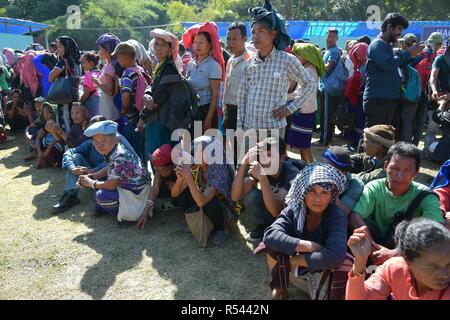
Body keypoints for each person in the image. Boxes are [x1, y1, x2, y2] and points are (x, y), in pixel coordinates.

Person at [262, 163, 352, 300]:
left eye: (324, 192)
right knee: (272, 247)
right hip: (299, 269)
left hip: (322, 271)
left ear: (332, 195)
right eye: (312, 191)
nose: (318, 199)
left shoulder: (336, 216)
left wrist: (294, 260)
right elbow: (270, 236)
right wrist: (308, 246)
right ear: (303, 192)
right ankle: (280, 288)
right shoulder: (294, 210)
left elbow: (336, 255)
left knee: (345, 262)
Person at [349, 142, 444, 265]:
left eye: (407, 170)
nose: (399, 176)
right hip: (375, 247)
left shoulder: (426, 196)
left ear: (416, 172)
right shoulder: (374, 187)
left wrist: (396, 254)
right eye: (395, 168)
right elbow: (355, 216)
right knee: (364, 226)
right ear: (386, 166)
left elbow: (436, 234)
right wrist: (371, 245)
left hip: (408, 253)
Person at [237, 1, 314, 140]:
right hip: (249, 128)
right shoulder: (250, 62)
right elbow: (242, 96)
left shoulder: (287, 60)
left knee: (270, 162)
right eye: (253, 32)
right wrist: (239, 126)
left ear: (273, 34)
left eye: (261, 31)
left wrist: (290, 108)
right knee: (247, 162)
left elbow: (309, 84)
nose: (255, 36)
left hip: (272, 129)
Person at [347, 219, 450, 300]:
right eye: (432, 266)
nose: (445, 274)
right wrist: (360, 261)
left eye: (449, 264)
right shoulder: (395, 269)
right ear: (407, 260)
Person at [231, 137, 304, 242]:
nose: (265, 161)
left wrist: (263, 179)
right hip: (275, 210)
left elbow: (277, 212)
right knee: (251, 195)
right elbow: (235, 196)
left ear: (282, 157)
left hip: (292, 219)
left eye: (270, 156)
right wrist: (243, 163)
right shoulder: (262, 167)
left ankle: (278, 231)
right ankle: (264, 225)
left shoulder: (292, 174)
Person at [78, 120, 151, 224]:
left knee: (101, 195)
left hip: (137, 195)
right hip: (131, 189)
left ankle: (126, 217)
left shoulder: (119, 155)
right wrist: (93, 176)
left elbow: (111, 185)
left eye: (103, 141)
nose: (99, 145)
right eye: (96, 142)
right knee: (100, 183)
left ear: (116, 139)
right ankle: (105, 207)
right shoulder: (114, 149)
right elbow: (110, 168)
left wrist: (91, 183)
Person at [171, 136, 238, 245]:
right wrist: (179, 180)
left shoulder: (218, 171)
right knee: (184, 194)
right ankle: (203, 223)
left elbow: (202, 201)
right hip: (205, 205)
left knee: (209, 203)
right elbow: (174, 195)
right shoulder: (198, 167)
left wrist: (188, 178)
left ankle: (221, 228)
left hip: (226, 214)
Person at [363, 13, 423, 128]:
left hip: (387, 99)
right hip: (378, 100)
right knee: (372, 139)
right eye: (399, 28)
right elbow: (389, 64)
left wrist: (410, 55)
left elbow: (395, 65)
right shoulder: (377, 44)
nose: (400, 33)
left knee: (383, 139)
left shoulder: (386, 45)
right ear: (389, 27)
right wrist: (408, 53)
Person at [137, 28, 182, 158]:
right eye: (156, 44)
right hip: (159, 120)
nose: (158, 48)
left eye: (162, 45)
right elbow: (152, 86)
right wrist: (146, 94)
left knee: (161, 159)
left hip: (163, 121)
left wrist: (142, 118)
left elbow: (157, 99)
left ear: (170, 48)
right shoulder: (161, 65)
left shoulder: (169, 67)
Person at [52, 116, 107, 214]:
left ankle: (102, 202)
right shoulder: (90, 143)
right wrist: (72, 168)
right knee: (76, 156)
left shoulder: (113, 143)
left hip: (107, 177)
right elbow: (69, 153)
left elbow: (112, 163)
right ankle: (71, 195)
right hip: (92, 175)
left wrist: (94, 171)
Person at [183, 22, 225, 133]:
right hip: (191, 111)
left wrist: (208, 119)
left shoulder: (213, 65)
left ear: (210, 44)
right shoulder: (191, 64)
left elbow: (215, 94)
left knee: (201, 146)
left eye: (201, 42)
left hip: (205, 110)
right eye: (195, 42)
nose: (197, 46)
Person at [287, 43, 324, 163]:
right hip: (306, 109)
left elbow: (300, 92)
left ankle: (310, 163)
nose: (297, 57)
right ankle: (306, 163)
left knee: (302, 142)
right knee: (303, 142)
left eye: (298, 54)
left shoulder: (308, 71)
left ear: (306, 56)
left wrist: (284, 97)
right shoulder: (311, 69)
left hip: (303, 111)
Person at [137, 144, 186, 229]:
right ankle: (175, 201)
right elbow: (155, 188)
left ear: (172, 165)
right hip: (173, 186)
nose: (160, 173)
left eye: (163, 170)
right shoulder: (160, 168)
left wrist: (177, 185)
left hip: (185, 186)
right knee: (159, 191)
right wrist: (145, 212)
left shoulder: (182, 166)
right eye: (157, 170)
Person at [113, 41, 146, 160]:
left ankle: (138, 176)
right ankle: (146, 174)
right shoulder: (140, 69)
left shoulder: (127, 73)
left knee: (133, 149)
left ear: (126, 56)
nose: (117, 60)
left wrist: (123, 109)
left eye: (118, 57)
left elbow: (126, 95)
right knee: (142, 148)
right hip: (143, 115)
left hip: (132, 116)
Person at [412, 32, 444, 146]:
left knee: (420, 124)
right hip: (416, 95)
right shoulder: (420, 55)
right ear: (435, 43)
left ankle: (414, 147)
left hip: (426, 96)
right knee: (414, 122)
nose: (440, 47)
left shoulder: (436, 57)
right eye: (439, 44)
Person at [48, 36, 82, 133]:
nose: (57, 50)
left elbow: (50, 78)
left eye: (60, 47)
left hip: (64, 98)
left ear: (67, 47)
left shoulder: (64, 62)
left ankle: (68, 145)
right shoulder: (77, 61)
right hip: (74, 96)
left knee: (66, 122)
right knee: (75, 122)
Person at [317, 27, 344, 146]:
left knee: (326, 116)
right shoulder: (329, 51)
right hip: (327, 87)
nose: (329, 38)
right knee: (326, 114)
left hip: (329, 88)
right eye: (328, 36)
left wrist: (317, 64)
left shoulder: (333, 51)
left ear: (337, 38)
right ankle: (326, 138)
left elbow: (328, 68)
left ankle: (325, 140)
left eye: (332, 36)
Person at [222, 22, 251, 133]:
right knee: (231, 148)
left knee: (242, 148)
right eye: (228, 39)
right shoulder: (230, 60)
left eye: (235, 39)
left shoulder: (250, 61)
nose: (230, 42)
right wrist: (225, 114)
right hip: (230, 112)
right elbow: (226, 89)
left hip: (244, 113)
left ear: (244, 39)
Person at [321, 146, 364, 216]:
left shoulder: (355, 184)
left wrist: (332, 190)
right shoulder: (319, 175)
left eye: (327, 168)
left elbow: (343, 212)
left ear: (342, 172)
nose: (322, 170)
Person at [426, 39, 450, 156]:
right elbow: (433, 76)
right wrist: (434, 90)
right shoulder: (440, 59)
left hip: (447, 98)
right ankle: (427, 152)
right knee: (432, 126)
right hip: (440, 97)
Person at [343, 43, 368, 149]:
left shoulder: (369, 65)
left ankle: (358, 142)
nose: (358, 57)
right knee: (352, 118)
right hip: (354, 96)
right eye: (356, 55)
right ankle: (352, 140)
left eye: (360, 55)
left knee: (360, 120)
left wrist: (361, 80)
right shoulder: (357, 64)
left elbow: (369, 81)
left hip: (362, 96)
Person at [93, 33, 121, 122]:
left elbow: (110, 91)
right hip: (108, 104)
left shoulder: (109, 67)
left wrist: (96, 82)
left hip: (109, 106)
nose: (99, 51)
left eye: (101, 49)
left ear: (108, 51)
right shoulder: (109, 65)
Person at [35, 103, 62, 169]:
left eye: (49, 113)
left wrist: (47, 150)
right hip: (47, 145)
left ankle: (46, 160)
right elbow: (38, 137)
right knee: (37, 146)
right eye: (44, 114)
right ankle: (41, 157)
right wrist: (39, 152)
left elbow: (58, 139)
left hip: (55, 147)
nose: (47, 116)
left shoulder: (57, 124)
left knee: (51, 153)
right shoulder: (45, 124)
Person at [80, 51, 101, 118]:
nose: (82, 65)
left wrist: (80, 101)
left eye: (83, 63)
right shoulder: (100, 73)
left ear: (91, 63)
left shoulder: (88, 76)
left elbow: (86, 94)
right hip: (100, 101)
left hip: (91, 104)